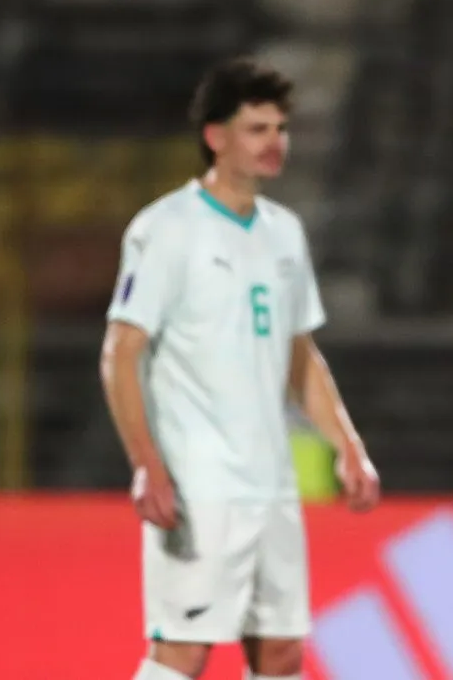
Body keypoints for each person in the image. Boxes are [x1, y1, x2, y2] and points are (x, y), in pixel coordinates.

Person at [99, 57, 380, 680]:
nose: (274, 143)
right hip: (199, 481)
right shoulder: (166, 229)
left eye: (279, 128)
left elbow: (299, 356)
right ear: (215, 137)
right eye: (256, 129)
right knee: (184, 650)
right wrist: (147, 463)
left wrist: (347, 446)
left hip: (271, 481)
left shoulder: (284, 233)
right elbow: (121, 351)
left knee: (280, 652)